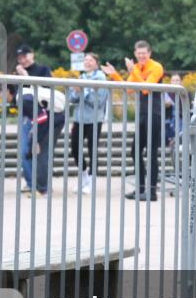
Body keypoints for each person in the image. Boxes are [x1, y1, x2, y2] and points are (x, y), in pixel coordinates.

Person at [104, 40, 165, 201]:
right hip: (143, 113)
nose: (141, 56)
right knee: (135, 151)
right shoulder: (137, 68)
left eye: (144, 53)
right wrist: (114, 75)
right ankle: (141, 188)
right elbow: (129, 89)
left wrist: (134, 71)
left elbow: (146, 89)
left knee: (151, 152)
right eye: (139, 54)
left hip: (154, 113)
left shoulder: (156, 67)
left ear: (149, 53)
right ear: (135, 54)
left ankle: (151, 192)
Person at [8, 44, 52, 193]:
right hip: (26, 116)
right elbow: (14, 95)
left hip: (43, 115)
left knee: (41, 151)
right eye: (20, 58)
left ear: (32, 55)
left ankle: (42, 184)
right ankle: (31, 183)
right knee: (24, 150)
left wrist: (26, 76)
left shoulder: (43, 70)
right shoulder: (16, 73)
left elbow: (46, 89)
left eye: (25, 56)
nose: (23, 60)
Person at [69, 53, 109, 194]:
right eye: (85, 60)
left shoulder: (101, 79)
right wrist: (77, 92)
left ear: (96, 63)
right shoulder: (81, 78)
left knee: (92, 149)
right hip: (79, 118)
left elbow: (98, 101)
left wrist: (83, 91)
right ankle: (84, 176)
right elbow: (72, 98)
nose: (87, 62)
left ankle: (92, 182)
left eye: (90, 60)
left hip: (94, 119)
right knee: (74, 147)